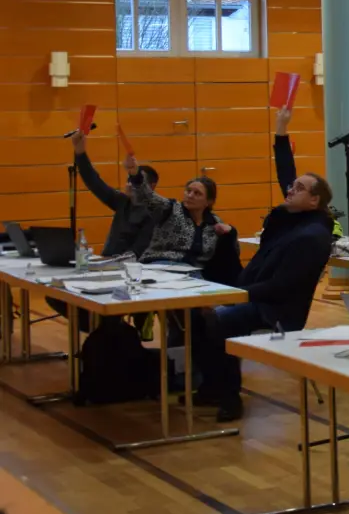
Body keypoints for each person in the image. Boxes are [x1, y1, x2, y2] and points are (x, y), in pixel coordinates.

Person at [194, 106, 335, 421]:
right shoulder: (291, 217)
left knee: (219, 318)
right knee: (193, 312)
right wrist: (281, 132)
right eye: (292, 187)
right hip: (255, 292)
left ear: (314, 201)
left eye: (299, 189)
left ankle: (231, 398)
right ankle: (212, 385)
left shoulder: (312, 236)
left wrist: (232, 295)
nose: (290, 190)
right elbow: (285, 173)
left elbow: (281, 287)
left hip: (276, 310)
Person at [127, 154, 237, 276]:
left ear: (208, 201)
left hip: (193, 272)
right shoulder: (170, 209)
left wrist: (231, 233)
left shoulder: (215, 223)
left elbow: (232, 255)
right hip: (159, 265)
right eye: (188, 191)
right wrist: (135, 175)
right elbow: (148, 196)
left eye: (197, 193)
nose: (190, 195)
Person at [69, 130, 159, 257]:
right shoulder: (122, 202)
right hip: (107, 261)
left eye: (135, 181)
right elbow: (95, 183)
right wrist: (80, 153)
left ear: (151, 186)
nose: (129, 184)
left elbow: (137, 253)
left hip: (131, 267)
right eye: (129, 180)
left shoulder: (154, 212)